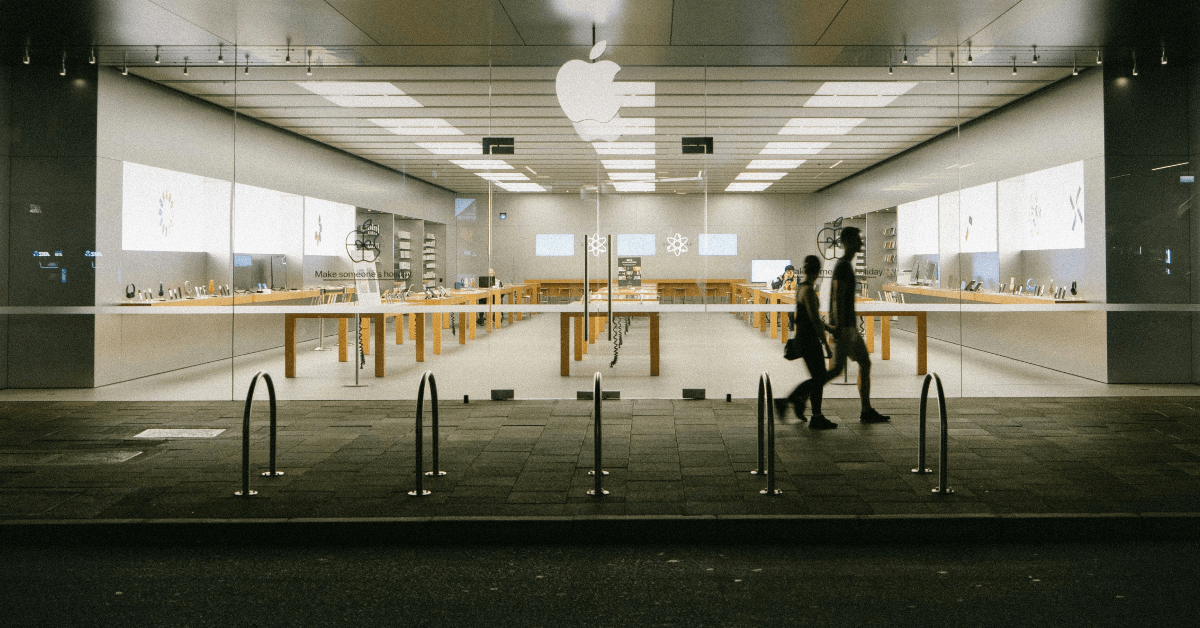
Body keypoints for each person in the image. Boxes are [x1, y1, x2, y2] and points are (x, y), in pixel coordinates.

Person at [822, 227, 890, 423]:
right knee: (846, 368)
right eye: (858, 239)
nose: (861, 243)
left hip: (845, 327)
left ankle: (866, 410)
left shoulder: (845, 265)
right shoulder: (843, 266)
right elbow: (836, 297)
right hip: (846, 329)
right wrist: (838, 328)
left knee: (849, 367)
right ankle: (799, 396)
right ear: (849, 241)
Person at [775, 256, 837, 429]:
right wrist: (826, 345)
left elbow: (810, 317)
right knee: (819, 378)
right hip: (809, 340)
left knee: (817, 377)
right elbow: (815, 320)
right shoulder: (809, 291)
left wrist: (830, 329)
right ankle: (797, 404)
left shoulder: (801, 288)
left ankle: (798, 402)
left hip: (803, 338)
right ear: (818, 271)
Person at [772, 265, 797, 331]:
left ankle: (792, 322)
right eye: (788, 272)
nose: (790, 274)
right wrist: (784, 280)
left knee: (792, 305)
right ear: (785, 272)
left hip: (792, 297)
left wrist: (796, 280)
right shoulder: (781, 278)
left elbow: (799, 286)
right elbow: (776, 287)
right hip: (782, 298)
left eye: (791, 272)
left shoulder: (796, 278)